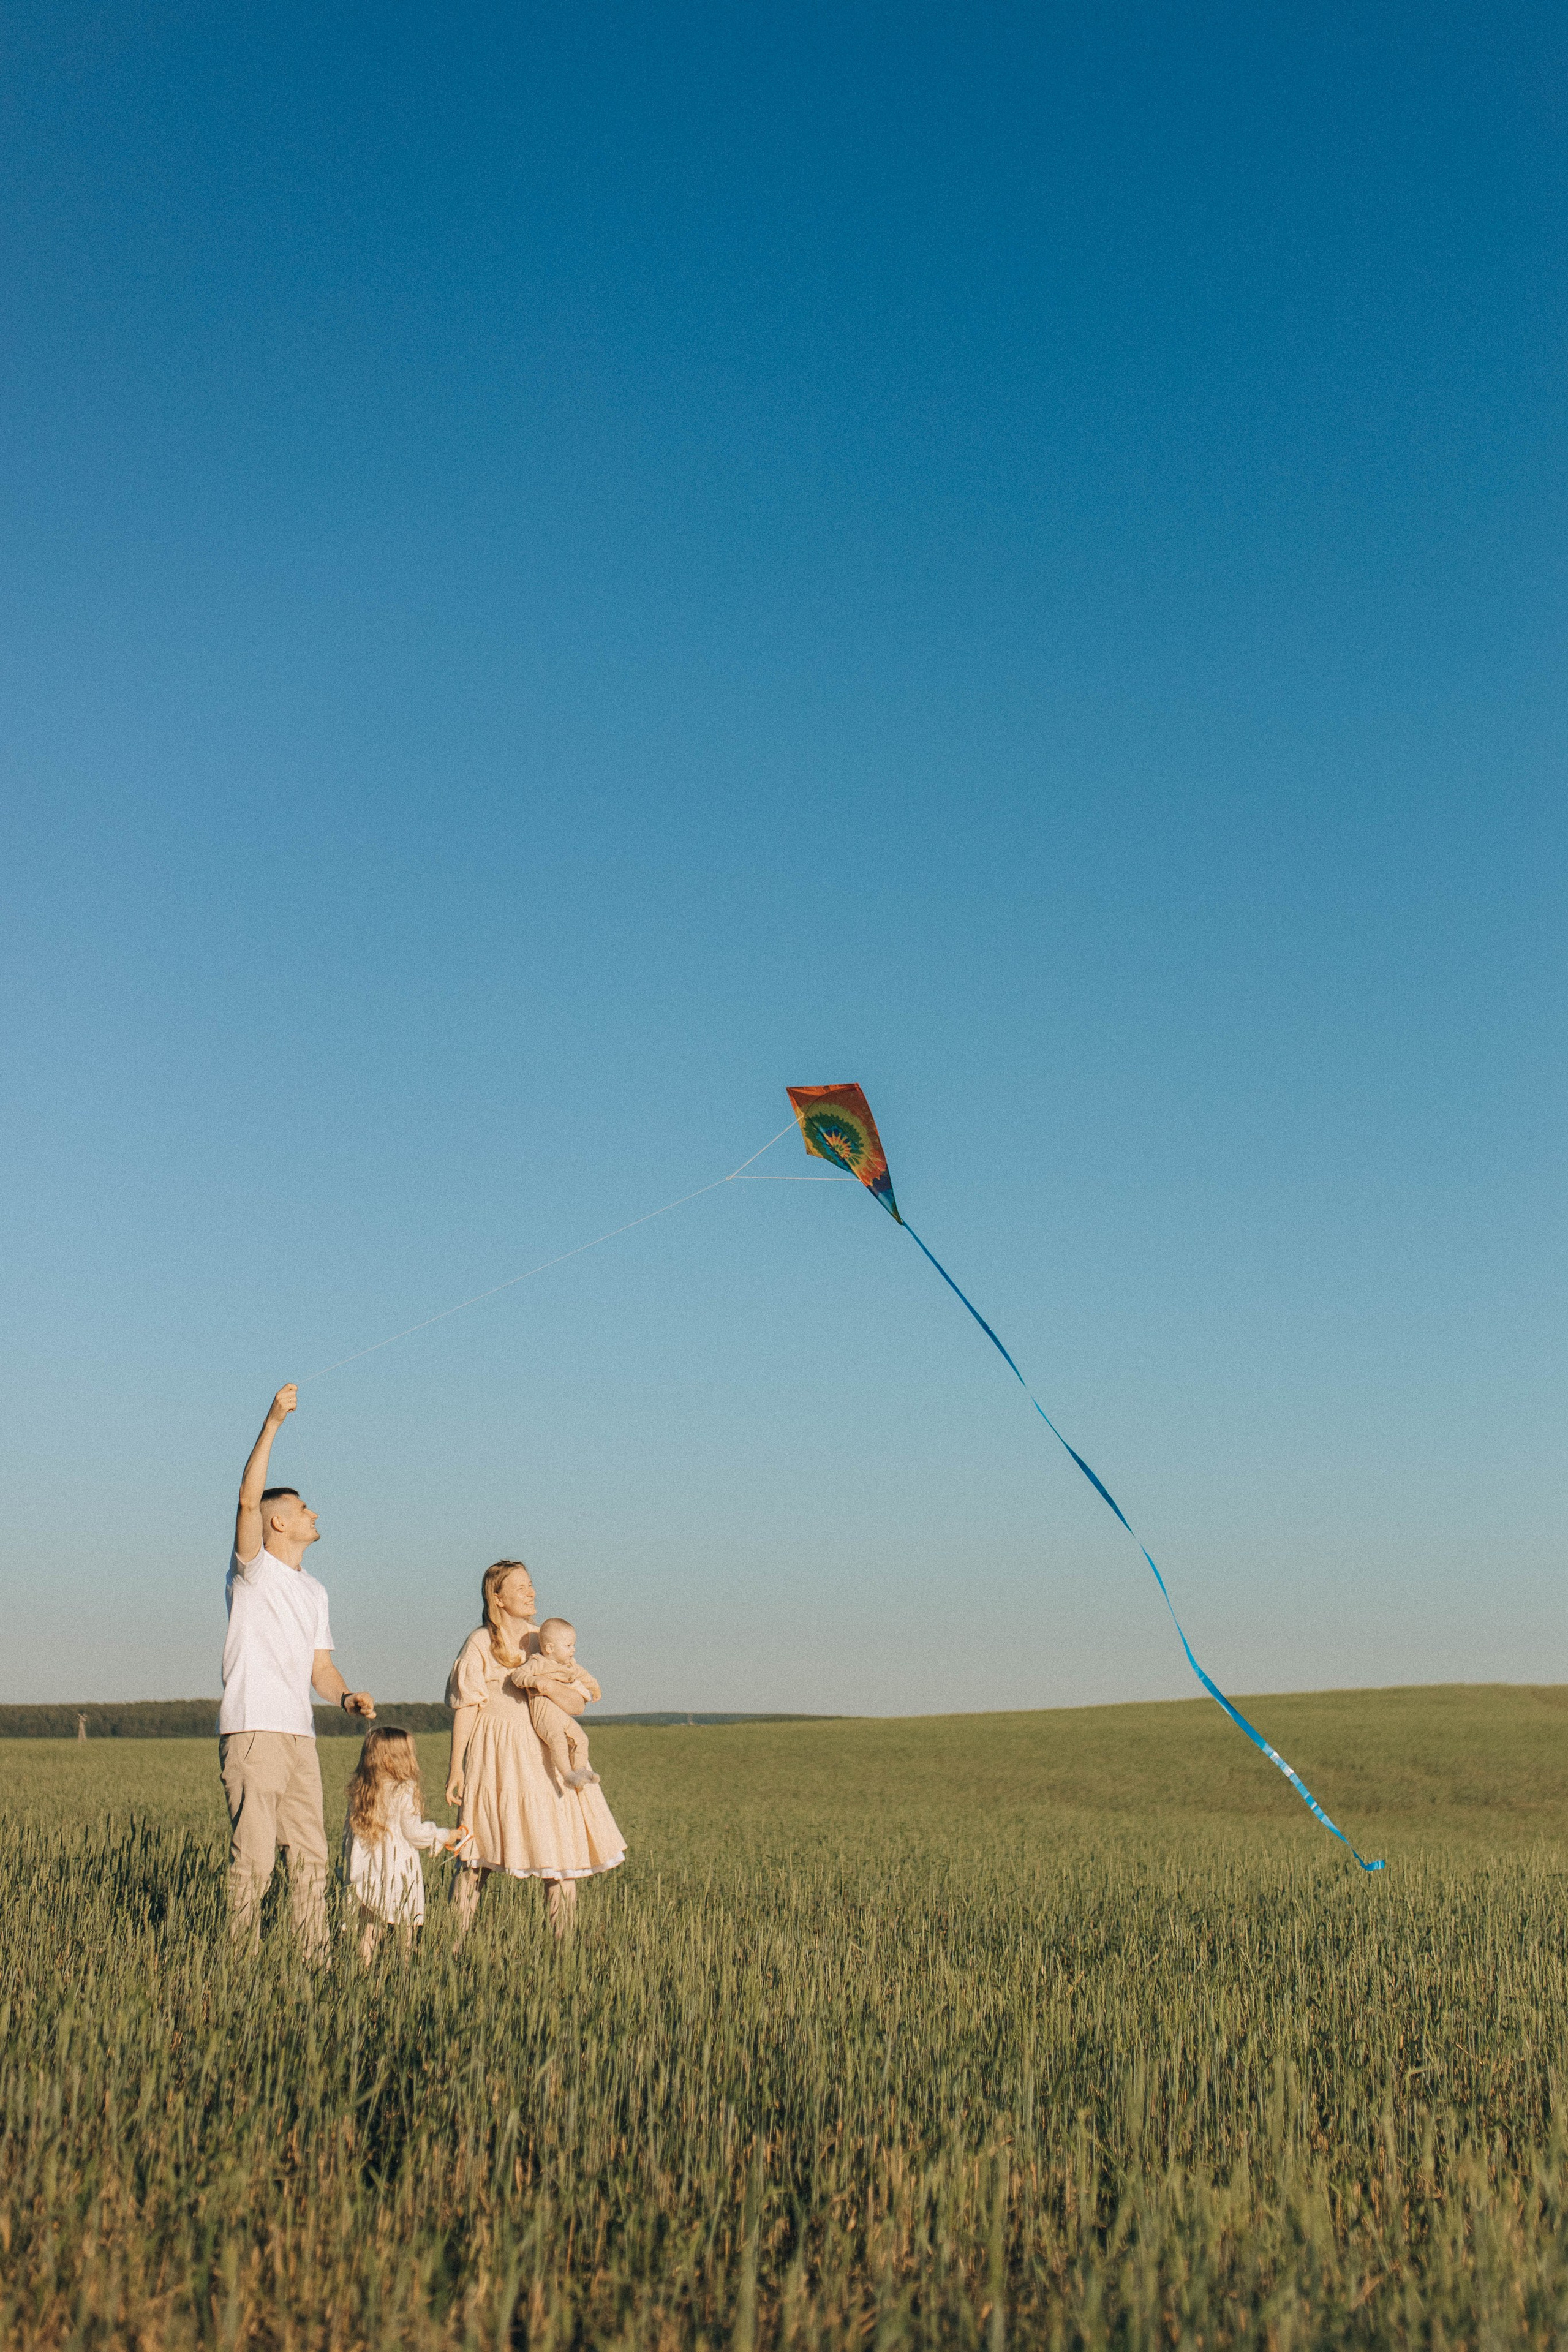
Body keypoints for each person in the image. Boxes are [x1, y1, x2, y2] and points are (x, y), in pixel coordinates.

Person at [219, 1384, 375, 1959]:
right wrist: (273, 1421)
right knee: (255, 1857)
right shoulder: (252, 1572)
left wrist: (346, 1697)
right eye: (304, 1508)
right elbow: (245, 1500)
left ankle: (313, 1957)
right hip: (254, 1730)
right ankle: (242, 1962)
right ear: (278, 1523)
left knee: (311, 1854)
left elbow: (322, 1669)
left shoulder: (315, 1590)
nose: (314, 1514)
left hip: (298, 1737)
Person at [445, 1559, 625, 1939]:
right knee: (474, 1857)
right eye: (522, 1587)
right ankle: (453, 1948)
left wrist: (544, 1686)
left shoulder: (545, 1638)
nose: (532, 1593)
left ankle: (564, 1954)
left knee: (560, 1855)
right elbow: (466, 1708)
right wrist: (456, 1769)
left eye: (532, 1585)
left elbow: (577, 1704)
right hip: (494, 1754)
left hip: (544, 1752)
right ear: (498, 1597)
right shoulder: (480, 1641)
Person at [341, 1725, 469, 1962]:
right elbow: (414, 1833)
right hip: (397, 1870)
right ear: (396, 1759)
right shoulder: (404, 1788)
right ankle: (405, 1969)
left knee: (369, 1929)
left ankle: (363, 1974)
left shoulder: (361, 1790)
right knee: (406, 1927)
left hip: (368, 1872)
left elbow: (348, 1837)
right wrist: (445, 1835)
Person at [527, 1618, 602, 1790]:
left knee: (581, 1738)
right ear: (550, 1648)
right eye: (568, 1646)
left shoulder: (569, 1665)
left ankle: (580, 1769)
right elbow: (519, 1676)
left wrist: (595, 1689)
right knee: (558, 1742)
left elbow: (584, 1675)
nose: (573, 1650)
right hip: (545, 1716)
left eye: (573, 1645)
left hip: (560, 1714)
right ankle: (568, 1775)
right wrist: (533, 1682)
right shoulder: (537, 1663)